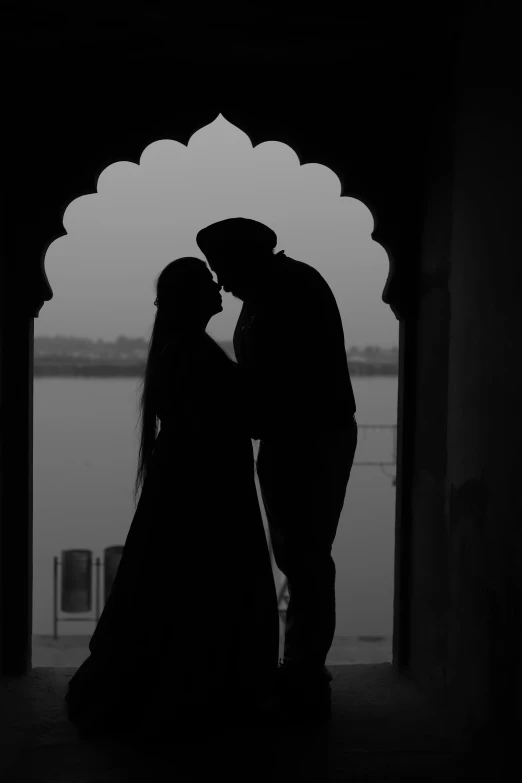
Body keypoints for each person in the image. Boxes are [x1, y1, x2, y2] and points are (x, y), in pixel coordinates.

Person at [64, 257, 280, 741]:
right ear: (189, 298)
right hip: (205, 492)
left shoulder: (184, 350)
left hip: (190, 484)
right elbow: (248, 414)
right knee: (201, 589)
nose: (218, 286)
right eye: (206, 283)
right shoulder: (191, 353)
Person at [196, 218, 358, 721]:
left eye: (223, 269)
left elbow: (284, 381)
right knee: (295, 552)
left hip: (312, 437)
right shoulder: (268, 293)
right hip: (289, 439)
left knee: (306, 555)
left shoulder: (294, 290)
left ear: (247, 258)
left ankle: (306, 669)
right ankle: (300, 664)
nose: (220, 284)